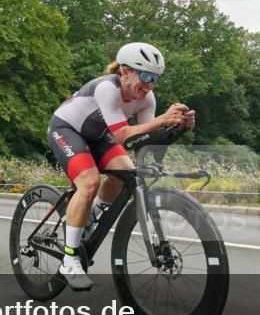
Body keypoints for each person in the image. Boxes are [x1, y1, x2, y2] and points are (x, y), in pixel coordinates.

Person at [47, 42, 195, 290]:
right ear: (126, 72)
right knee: (89, 182)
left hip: (98, 135)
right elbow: (122, 135)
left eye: (155, 79)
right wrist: (162, 120)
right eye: (146, 76)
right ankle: (69, 259)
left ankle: (89, 215)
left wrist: (176, 129)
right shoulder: (108, 88)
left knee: (126, 175)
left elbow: (143, 140)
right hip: (66, 129)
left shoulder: (147, 99)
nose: (150, 85)